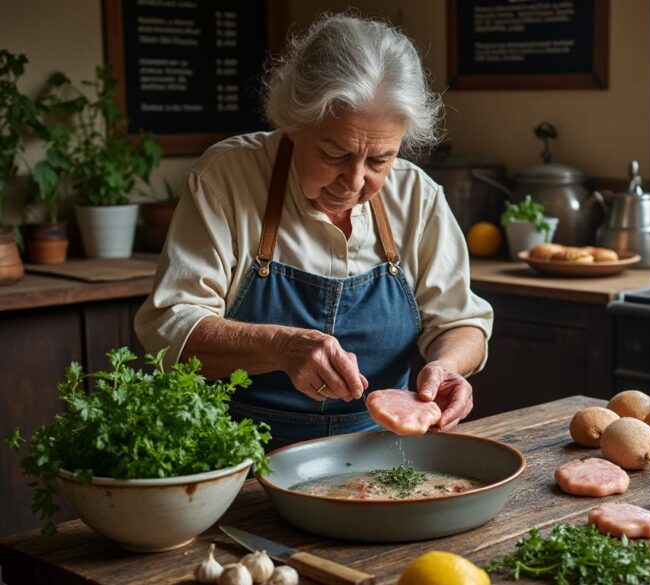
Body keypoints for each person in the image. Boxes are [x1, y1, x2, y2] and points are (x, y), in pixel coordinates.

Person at [134, 14, 493, 451]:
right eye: (335, 153)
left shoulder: (417, 195)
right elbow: (173, 326)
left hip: (380, 455)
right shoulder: (226, 179)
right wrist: (280, 347)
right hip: (239, 454)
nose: (356, 180)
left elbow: (461, 322)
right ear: (293, 122)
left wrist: (449, 365)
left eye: (380, 160)